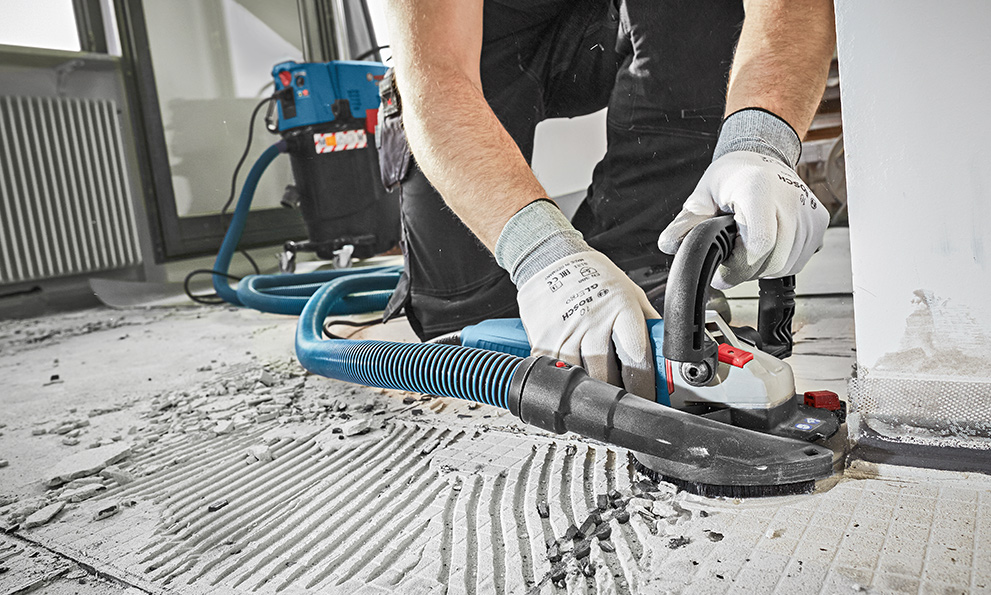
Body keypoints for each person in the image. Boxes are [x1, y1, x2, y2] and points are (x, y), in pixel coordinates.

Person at [378, 0, 834, 399]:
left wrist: (759, 144)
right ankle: (498, 291)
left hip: (612, 27)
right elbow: (434, 70)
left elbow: (793, 6)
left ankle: (643, 258)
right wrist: (545, 257)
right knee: (467, 337)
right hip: (477, 47)